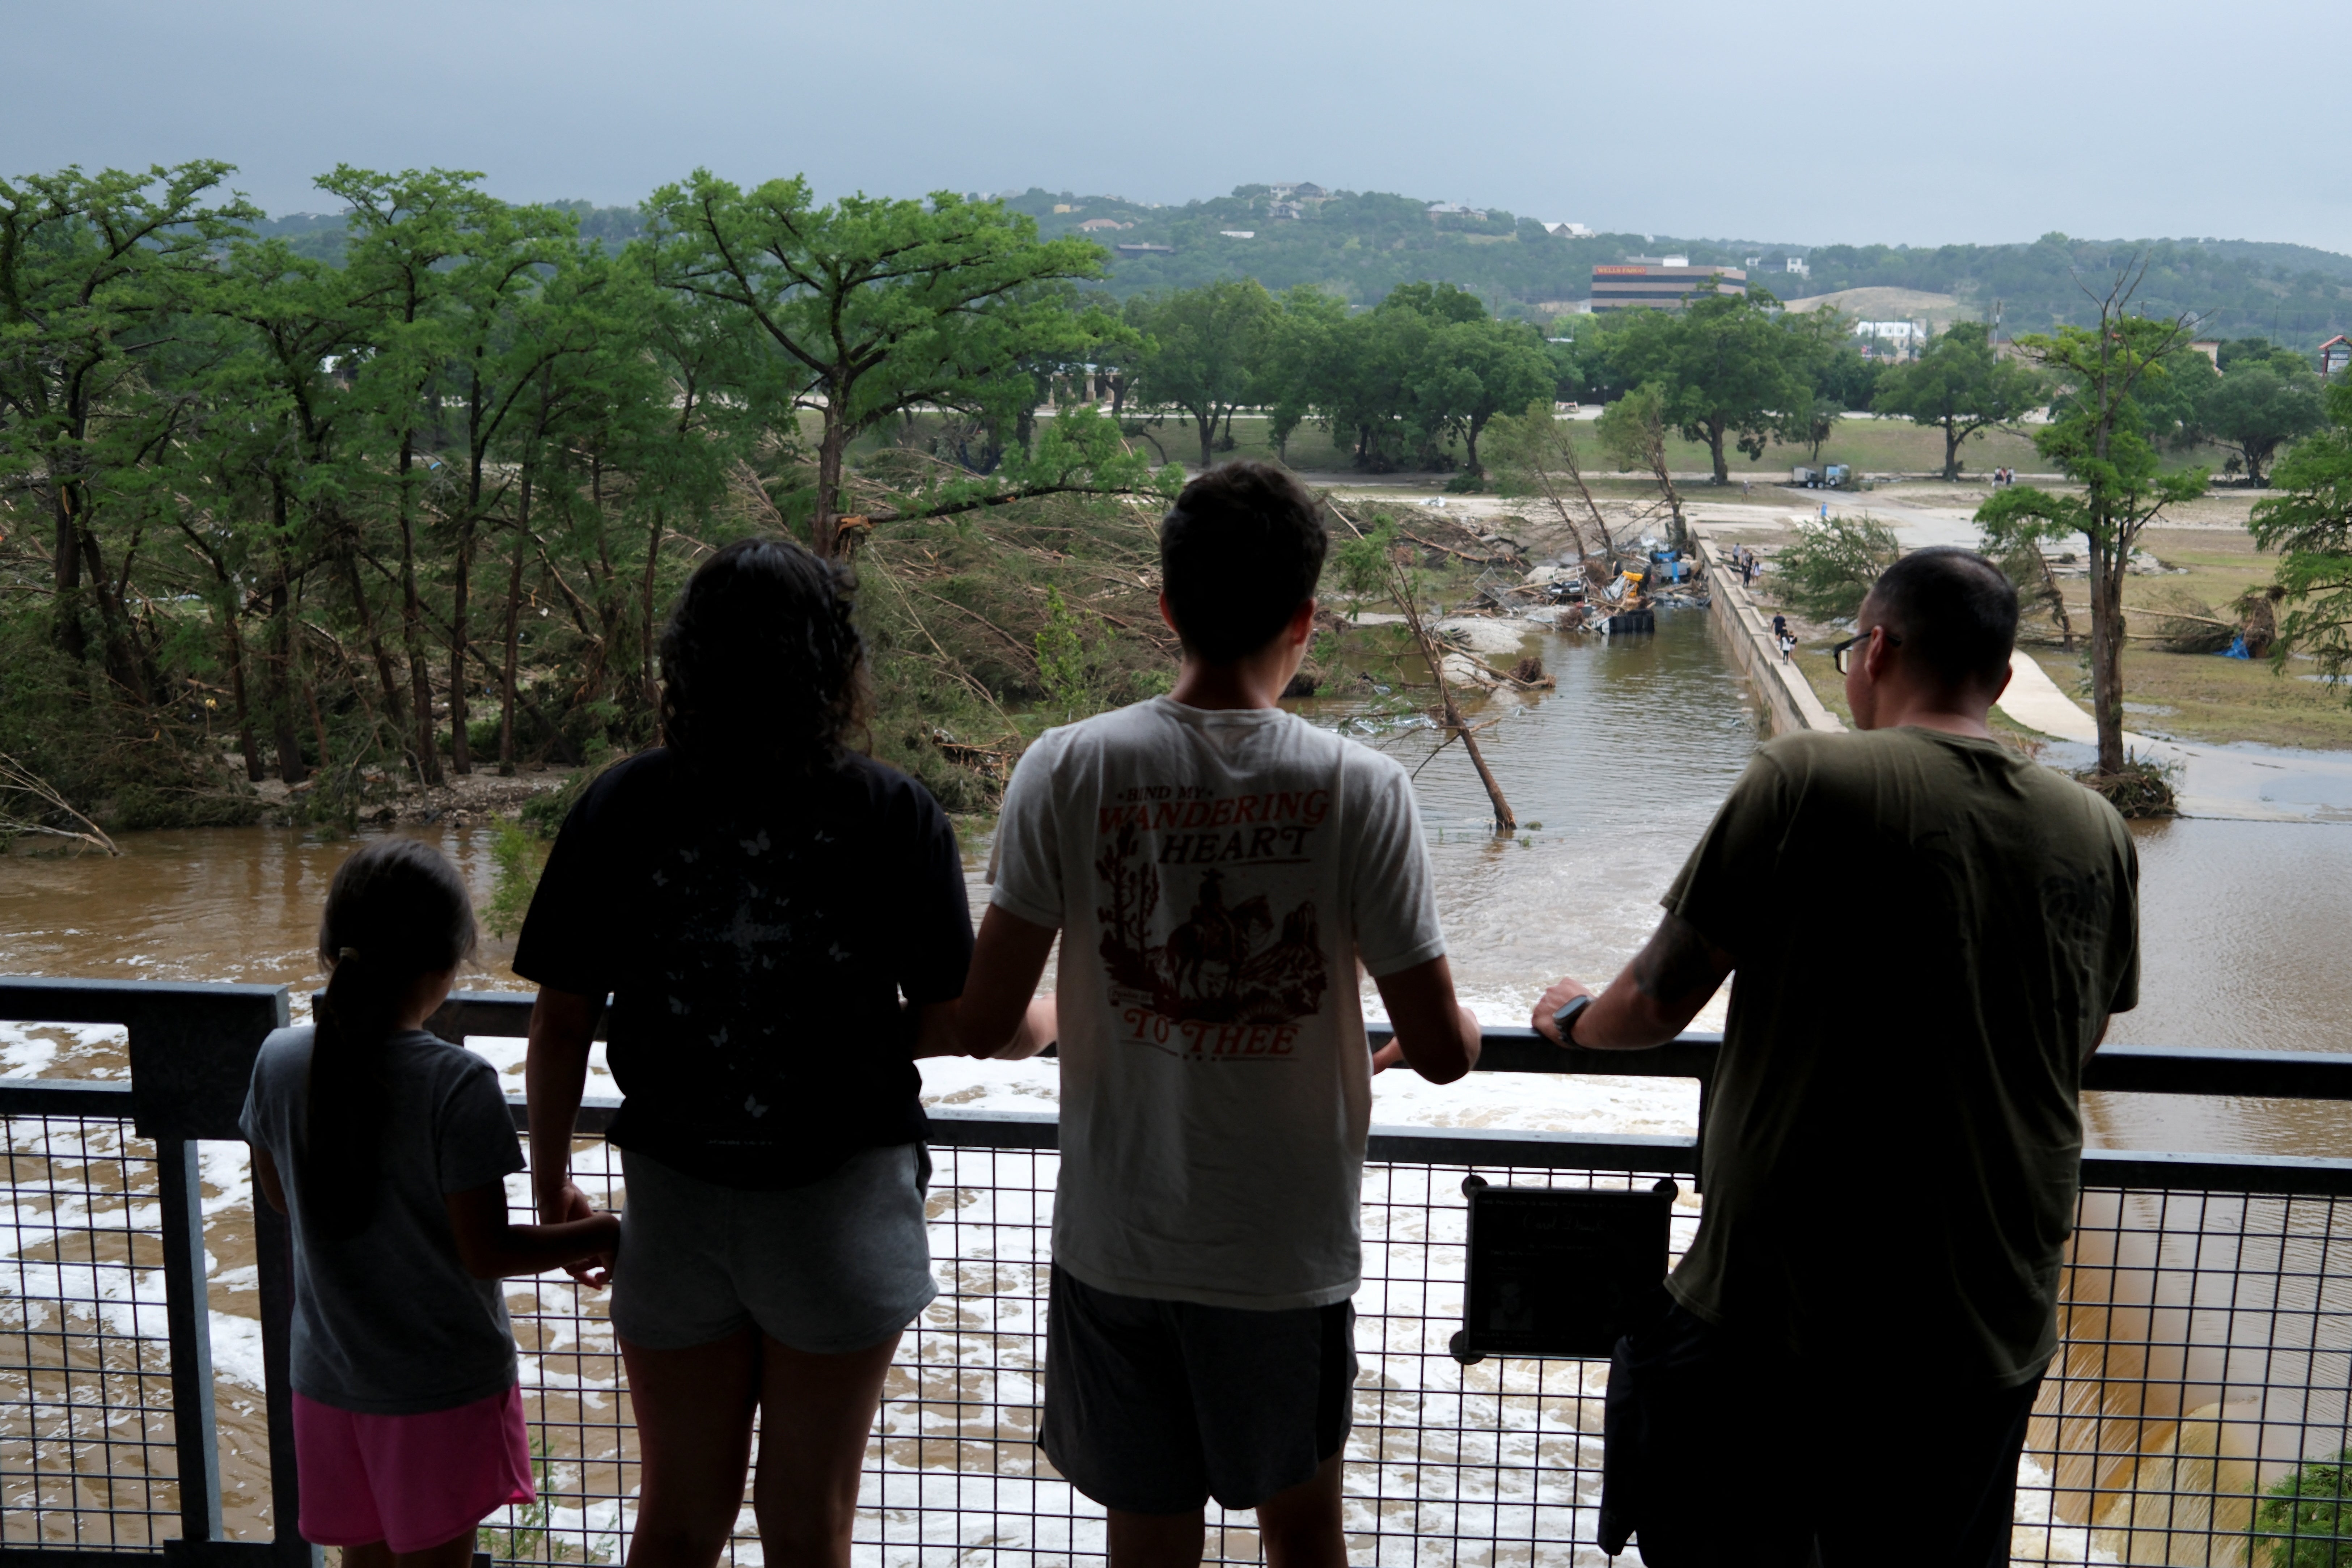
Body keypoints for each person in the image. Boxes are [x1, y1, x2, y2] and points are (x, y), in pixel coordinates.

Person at [1530, 548, 2138, 1568]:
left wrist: (1573, 1017)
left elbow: (1655, 1001)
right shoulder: (2097, 829)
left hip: (1785, 1311)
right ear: (1998, 677)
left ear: (1876, 649)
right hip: (1990, 1316)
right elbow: (2078, 1035)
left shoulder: (1808, 774)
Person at [959, 461, 1482, 1568]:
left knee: (1146, 1542)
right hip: (1282, 1250)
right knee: (1302, 1532)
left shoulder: (1066, 764)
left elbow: (985, 1014)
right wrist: (1455, 1027)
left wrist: (1071, 1016)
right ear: (1303, 617)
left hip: (1118, 1236)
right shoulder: (1363, 784)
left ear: (1165, 608)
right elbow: (1438, 1052)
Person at [516, 539, 989, 1568]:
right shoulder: (894, 811)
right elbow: (952, 1018)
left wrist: (553, 1186)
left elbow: (560, 1018)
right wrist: (835, 1030)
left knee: (679, 1517)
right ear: (834, 665)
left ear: (685, 664)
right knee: (806, 1520)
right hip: (840, 1201)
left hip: (677, 1199)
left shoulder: (621, 803)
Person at [241, 838, 621, 1567]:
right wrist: (605, 1232)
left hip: (328, 1379)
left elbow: (283, 1199)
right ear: (450, 962)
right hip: (436, 1390)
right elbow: (487, 1250)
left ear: (333, 948)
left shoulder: (279, 1061)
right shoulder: (457, 1083)